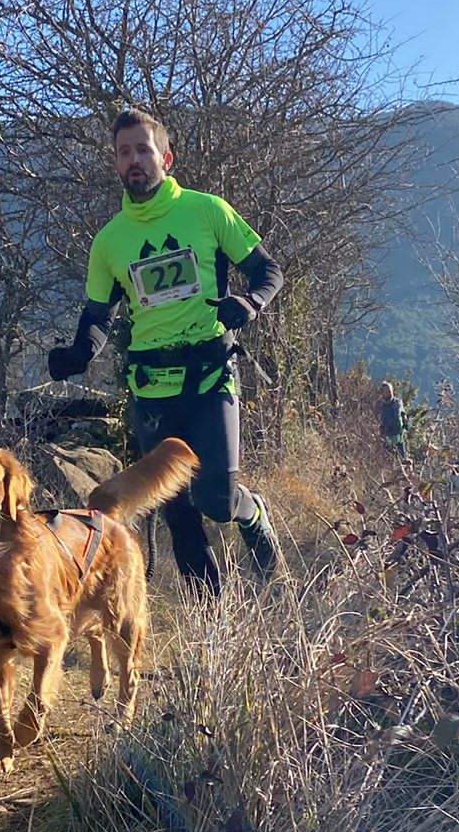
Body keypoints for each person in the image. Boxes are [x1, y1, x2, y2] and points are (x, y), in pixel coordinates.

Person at [47, 108, 283, 595]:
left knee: (215, 499)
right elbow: (98, 317)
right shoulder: (109, 241)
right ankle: (212, 623)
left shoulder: (207, 210)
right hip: (152, 391)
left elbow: (268, 273)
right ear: (115, 164)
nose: (135, 160)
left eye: (143, 150)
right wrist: (78, 353)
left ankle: (253, 513)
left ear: (166, 158)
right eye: (124, 152)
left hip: (210, 375)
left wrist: (250, 302)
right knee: (178, 514)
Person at [378, 380, 408, 460]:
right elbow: (380, 419)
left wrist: (405, 426)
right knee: (389, 456)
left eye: (390, 390)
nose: (389, 393)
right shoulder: (381, 405)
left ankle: (403, 462)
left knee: (401, 453)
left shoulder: (397, 403)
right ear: (382, 393)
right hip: (387, 434)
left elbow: (403, 414)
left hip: (398, 432)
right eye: (386, 391)